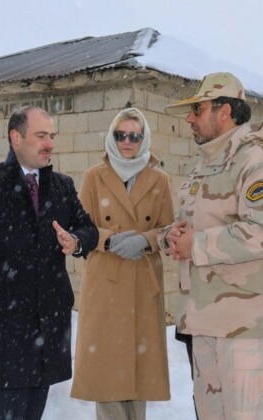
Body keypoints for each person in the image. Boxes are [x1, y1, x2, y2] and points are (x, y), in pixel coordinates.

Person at [0, 105, 98, 420]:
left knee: (34, 412)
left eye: (51, 136)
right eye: (41, 136)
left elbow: (89, 229)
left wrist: (76, 241)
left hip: (49, 321)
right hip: (6, 325)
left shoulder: (62, 186)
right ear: (16, 137)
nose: (49, 143)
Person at [158, 72, 263, 420]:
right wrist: (172, 236)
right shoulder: (204, 164)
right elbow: (197, 226)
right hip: (204, 320)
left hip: (244, 327)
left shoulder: (258, 162)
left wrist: (196, 244)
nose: (189, 118)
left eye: (197, 109)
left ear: (225, 112)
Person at [70, 108, 174, 419]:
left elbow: (169, 228)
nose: (127, 141)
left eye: (134, 136)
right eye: (120, 135)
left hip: (143, 282)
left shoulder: (159, 179)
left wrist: (146, 241)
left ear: (144, 139)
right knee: (107, 375)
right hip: (105, 282)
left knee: (138, 375)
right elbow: (81, 227)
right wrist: (109, 240)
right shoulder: (94, 176)